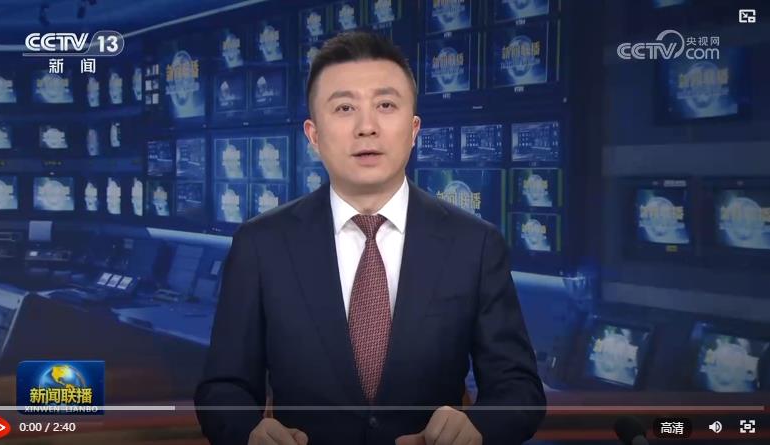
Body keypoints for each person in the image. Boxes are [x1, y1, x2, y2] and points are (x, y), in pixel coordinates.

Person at [195, 31, 546, 445]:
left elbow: (518, 388)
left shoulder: (474, 244)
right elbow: (223, 388)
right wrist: (248, 432)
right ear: (313, 135)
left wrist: (479, 428)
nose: (367, 127)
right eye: (344, 108)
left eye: (386, 105)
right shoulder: (260, 244)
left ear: (414, 129)